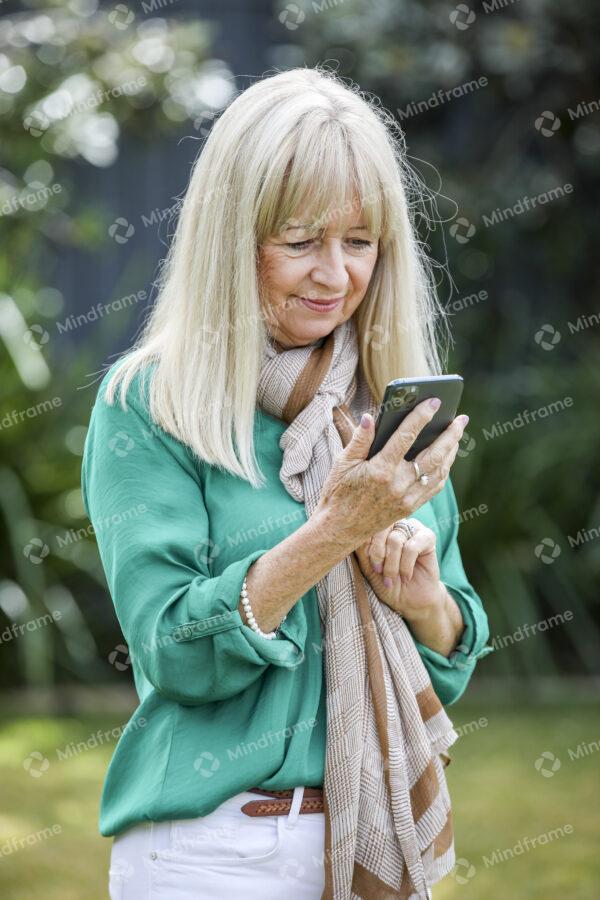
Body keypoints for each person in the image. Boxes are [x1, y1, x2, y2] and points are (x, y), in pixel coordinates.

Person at [81, 66, 494, 900]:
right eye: (300, 241)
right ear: (233, 238)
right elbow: (173, 653)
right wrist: (334, 531)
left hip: (368, 837)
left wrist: (421, 599)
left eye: (360, 242)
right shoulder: (153, 404)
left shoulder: (387, 410)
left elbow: (448, 658)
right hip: (210, 856)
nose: (334, 276)